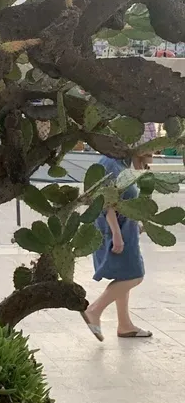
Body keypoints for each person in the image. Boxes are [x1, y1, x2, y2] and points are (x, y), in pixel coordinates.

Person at [81, 123, 157, 341]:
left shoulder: (119, 162)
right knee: (135, 275)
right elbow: (106, 201)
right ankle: (93, 311)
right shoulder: (112, 164)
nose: (152, 154)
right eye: (149, 149)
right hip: (117, 230)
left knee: (125, 274)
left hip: (124, 228)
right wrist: (116, 233)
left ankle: (124, 325)